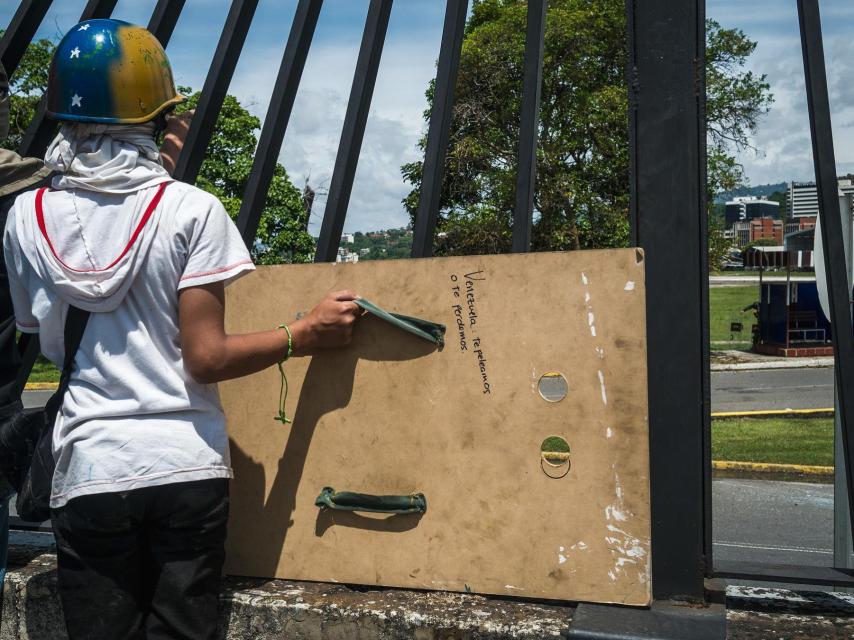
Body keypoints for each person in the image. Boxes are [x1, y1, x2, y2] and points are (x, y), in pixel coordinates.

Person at [4, 19, 360, 639]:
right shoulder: (192, 210)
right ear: (160, 120)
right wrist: (304, 332)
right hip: (185, 468)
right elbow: (206, 358)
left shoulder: (25, 219)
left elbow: (45, 330)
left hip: (88, 467)